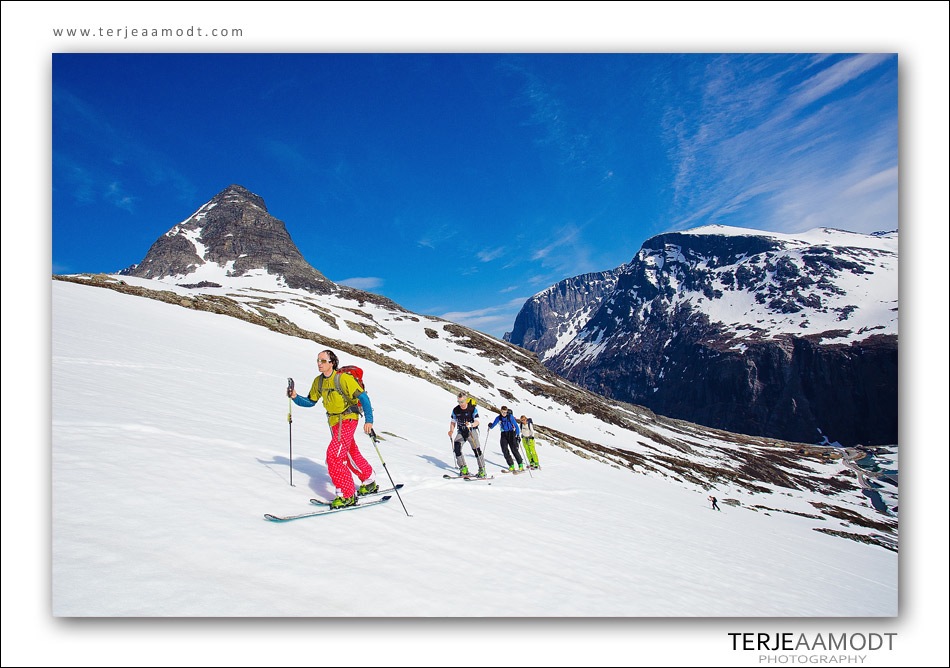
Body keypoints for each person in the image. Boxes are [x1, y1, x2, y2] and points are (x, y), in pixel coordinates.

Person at [288, 349, 377, 508]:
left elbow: (363, 397)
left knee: (333, 456)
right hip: (334, 422)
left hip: (348, 419)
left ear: (332, 363)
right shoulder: (319, 381)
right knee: (349, 452)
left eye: (322, 361)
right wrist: (295, 396)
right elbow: (310, 402)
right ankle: (369, 479)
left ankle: (347, 494)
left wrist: (369, 420)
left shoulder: (343, 379)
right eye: (318, 360)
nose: (319, 364)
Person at [448, 392, 487, 478]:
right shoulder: (456, 410)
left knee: (476, 450)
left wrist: (471, 424)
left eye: (462, 402)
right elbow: (453, 421)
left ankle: (482, 470)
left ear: (466, 400)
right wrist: (451, 430)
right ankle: (463, 468)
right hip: (461, 431)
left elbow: (477, 421)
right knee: (457, 448)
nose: (460, 404)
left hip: (471, 431)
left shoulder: (472, 409)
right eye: (458, 402)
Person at [488, 406, 523, 472]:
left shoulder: (510, 417)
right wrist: (490, 425)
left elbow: (516, 426)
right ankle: (511, 465)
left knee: (514, 449)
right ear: (500, 411)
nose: (504, 414)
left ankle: (520, 464)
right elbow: (493, 425)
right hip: (504, 433)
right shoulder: (499, 417)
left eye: (505, 412)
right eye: (502, 412)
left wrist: (517, 435)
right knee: (504, 449)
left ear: (507, 412)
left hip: (511, 433)